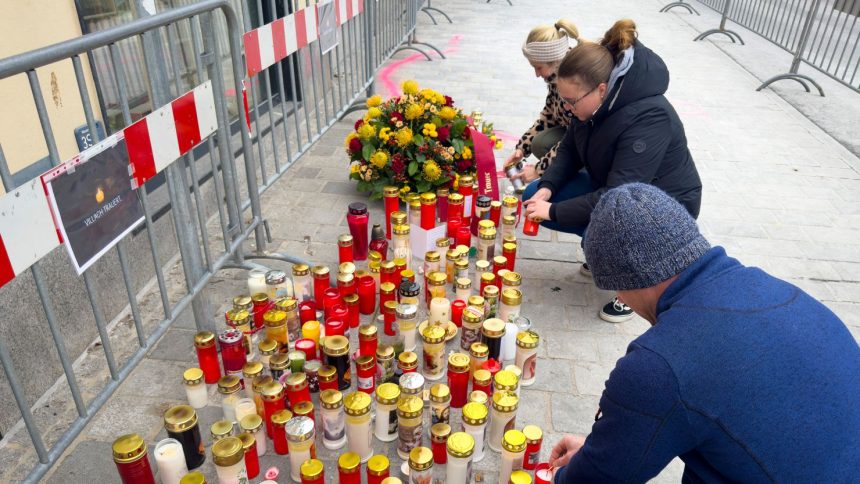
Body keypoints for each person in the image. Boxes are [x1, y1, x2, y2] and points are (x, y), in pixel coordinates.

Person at [549, 183, 860, 483]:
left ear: (624, 281)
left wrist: (574, 471)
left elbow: (596, 479)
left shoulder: (658, 366)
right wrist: (603, 450)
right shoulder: (784, 293)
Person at [521, 19, 702, 323]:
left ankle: (637, 284)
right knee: (534, 195)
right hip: (616, 189)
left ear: (601, 89)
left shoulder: (649, 117)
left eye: (570, 101)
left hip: (663, 207)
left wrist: (552, 211)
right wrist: (547, 187)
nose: (565, 108)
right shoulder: (589, 102)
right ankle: (601, 247)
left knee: (599, 219)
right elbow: (569, 149)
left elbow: (620, 196)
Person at [504, 19, 581, 183]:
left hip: (589, 144)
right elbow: (548, 116)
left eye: (538, 67)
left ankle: (580, 176)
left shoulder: (574, 81)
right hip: (573, 133)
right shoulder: (557, 76)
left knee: (534, 190)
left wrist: (539, 169)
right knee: (539, 143)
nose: (537, 75)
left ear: (555, 60)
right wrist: (521, 149)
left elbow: (577, 138)